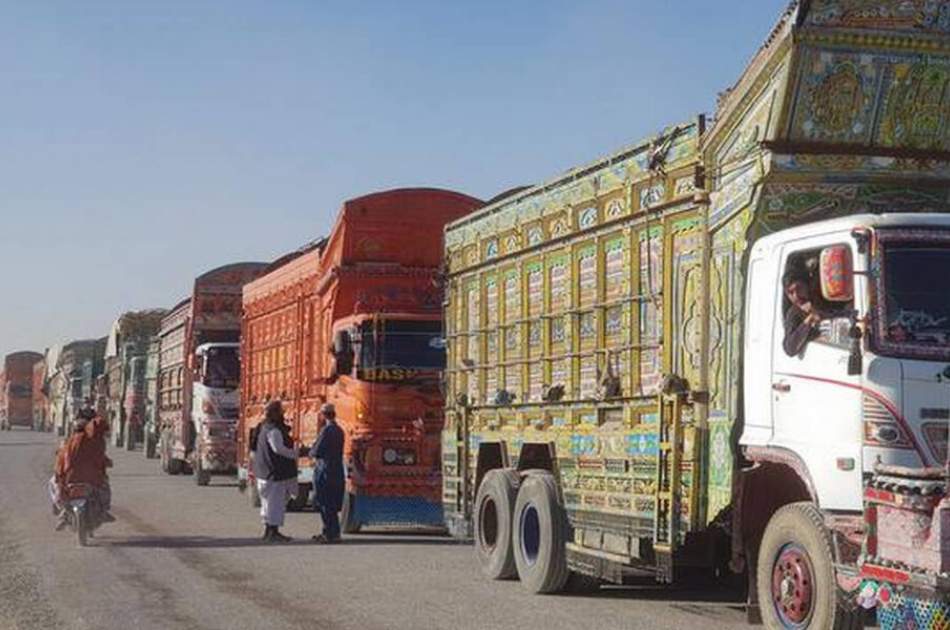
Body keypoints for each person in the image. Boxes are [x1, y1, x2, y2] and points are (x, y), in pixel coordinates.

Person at [51, 401, 115, 530]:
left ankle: (63, 513)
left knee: (55, 485)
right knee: (105, 487)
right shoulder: (95, 441)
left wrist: (59, 474)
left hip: (71, 478)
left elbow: (60, 462)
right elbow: (101, 457)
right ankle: (103, 512)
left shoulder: (68, 442)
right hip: (92, 479)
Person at [253, 400, 298, 543]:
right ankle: (273, 533)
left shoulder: (263, 427)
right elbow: (278, 449)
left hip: (263, 473)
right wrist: (295, 453)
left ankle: (268, 532)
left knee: (267, 504)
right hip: (273, 474)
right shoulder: (274, 430)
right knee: (275, 504)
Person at [307, 402, 345, 544]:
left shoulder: (326, 431)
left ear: (323, 415)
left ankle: (329, 534)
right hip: (336, 470)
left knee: (325, 503)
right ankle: (333, 533)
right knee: (332, 505)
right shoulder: (339, 430)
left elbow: (317, 451)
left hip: (325, 470)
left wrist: (309, 452)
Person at [782, 270, 823, 356]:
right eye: (791, 293)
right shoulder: (793, 314)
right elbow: (790, 349)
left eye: (799, 288)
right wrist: (809, 320)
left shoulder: (821, 297)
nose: (796, 296)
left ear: (806, 285)